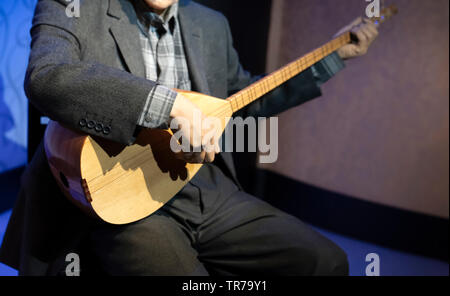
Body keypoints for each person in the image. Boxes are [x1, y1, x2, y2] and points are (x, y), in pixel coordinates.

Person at [0, 0, 378, 276]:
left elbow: (241, 101)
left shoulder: (211, 24)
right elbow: (47, 76)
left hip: (205, 186)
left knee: (325, 262)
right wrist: (167, 105)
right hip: (123, 196)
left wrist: (333, 57)